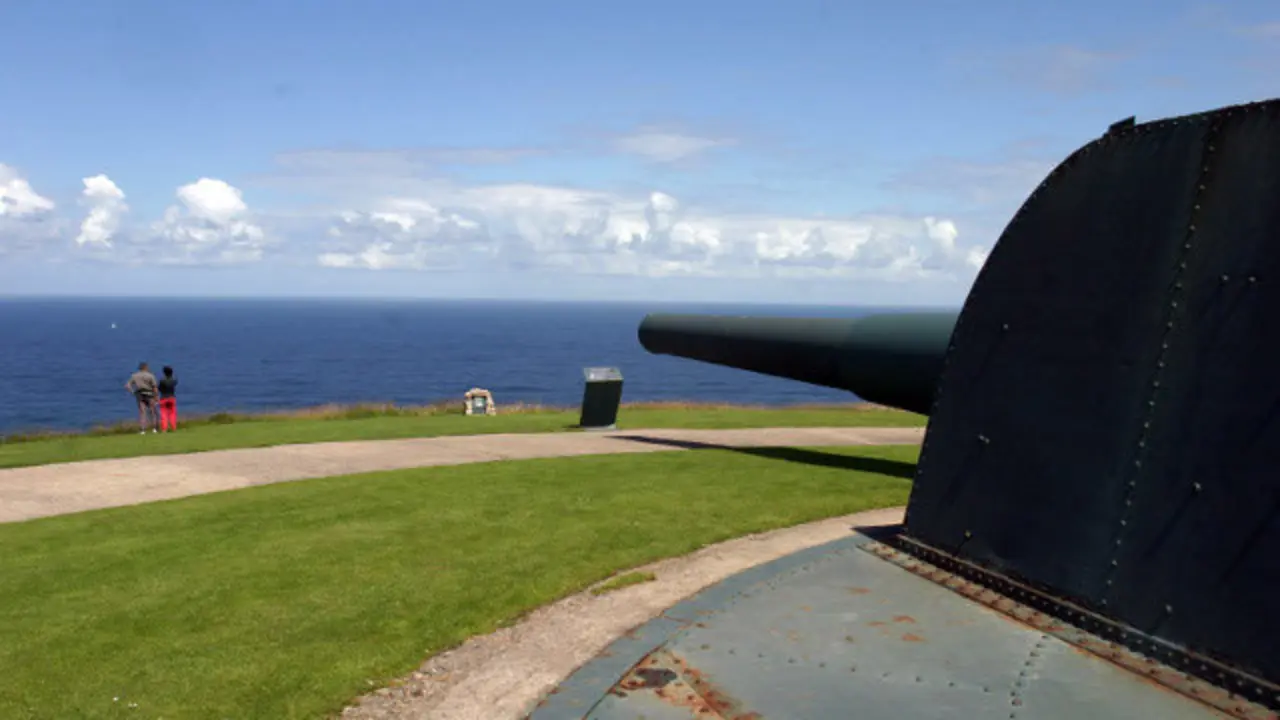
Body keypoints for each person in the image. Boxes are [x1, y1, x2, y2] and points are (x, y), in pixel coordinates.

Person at [125, 362, 159, 434]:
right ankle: (154, 429)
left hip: (140, 395)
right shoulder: (150, 376)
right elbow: (155, 387)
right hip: (149, 394)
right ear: (146, 368)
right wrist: (156, 396)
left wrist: (133, 392)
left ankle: (142, 430)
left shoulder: (134, 376)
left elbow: (127, 385)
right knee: (152, 412)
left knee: (142, 412)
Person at [157, 365, 179, 432]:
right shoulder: (174, 380)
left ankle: (164, 428)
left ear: (164, 373)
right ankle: (173, 427)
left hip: (163, 398)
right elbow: (175, 382)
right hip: (172, 398)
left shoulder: (162, 381)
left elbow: (159, 389)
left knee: (164, 413)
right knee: (172, 413)